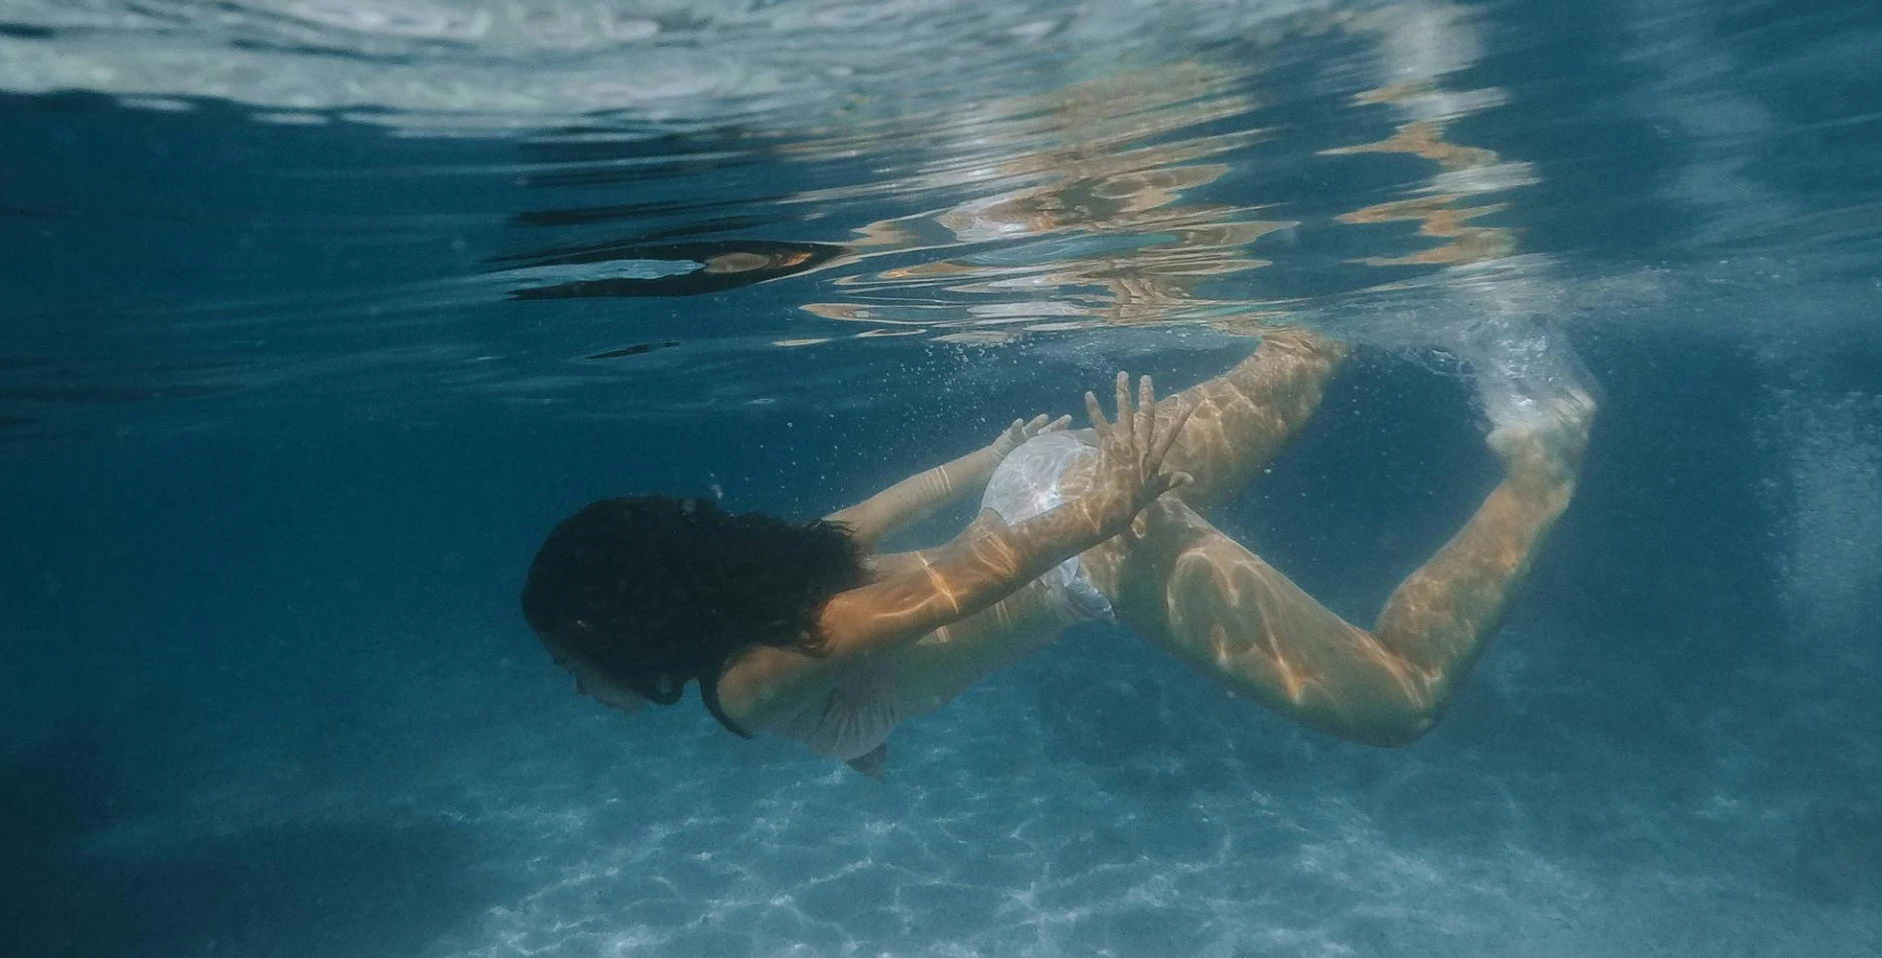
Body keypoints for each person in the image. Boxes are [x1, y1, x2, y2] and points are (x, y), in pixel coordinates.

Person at [521, 328, 1595, 773]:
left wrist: (1097, 517)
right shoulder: (762, 584)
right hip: (1042, 493)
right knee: (1297, 356)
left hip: (1081, 546)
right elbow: (874, 521)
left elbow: (946, 596)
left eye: (568, 660)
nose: (574, 684)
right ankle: (1492, 304)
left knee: (1394, 702)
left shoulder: (750, 682)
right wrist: (995, 459)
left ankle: (1540, 463)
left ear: (620, 623)